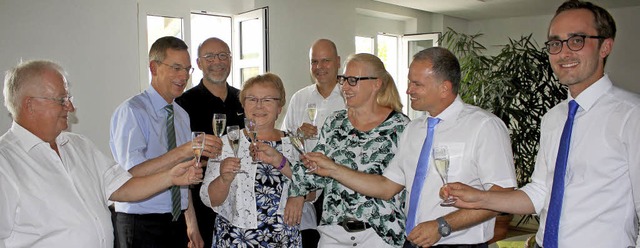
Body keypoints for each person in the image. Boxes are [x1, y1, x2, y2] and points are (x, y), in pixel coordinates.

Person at [444, 1, 640, 247]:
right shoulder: (554, 118)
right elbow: (539, 194)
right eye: (555, 43)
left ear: (605, 46)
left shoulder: (632, 116)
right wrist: (479, 197)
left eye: (576, 40)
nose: (563, 53)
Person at [305, 48, 517, 248]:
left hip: (457, 242)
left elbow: (503, 196)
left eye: (417, 84)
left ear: (444, 87)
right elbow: (387, 187)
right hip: (414, 240)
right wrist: (333, 169)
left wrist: (443, 225)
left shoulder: (483, 126)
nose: (408, 90)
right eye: (409, 82)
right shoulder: (414, 129)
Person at [0, 60, 202, 247]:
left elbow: (122, 187)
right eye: (62, 99)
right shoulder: (5, 162)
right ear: (30, 105)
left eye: (69, 98)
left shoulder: (78, 146)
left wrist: (170, 177)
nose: (71, 106)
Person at [288, 53, 410, 247]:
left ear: (376, 83)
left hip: (379, 235)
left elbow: (389, 186)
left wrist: (333, 169)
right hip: (334, 233)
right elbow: (316, 168)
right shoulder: (335, 122)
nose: (344, 87)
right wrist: (296, 192)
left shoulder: (400, 127)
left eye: (353, 81)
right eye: (343, 80)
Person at [110, 36, 222, 248]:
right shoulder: (132, 111)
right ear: (154, 67)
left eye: (187, 70)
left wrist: (192, 225)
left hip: (176, 222)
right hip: (140, 222)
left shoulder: (181, 114)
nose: (183, 77)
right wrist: (184, 151)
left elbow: (183, 177)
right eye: (176, 68)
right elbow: (130, 174)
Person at [200, 73, 301, 247]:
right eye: (252, 99)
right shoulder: (226, 143)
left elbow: (313, 189)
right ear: (243, 105)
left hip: (284, 239)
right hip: (235, 239)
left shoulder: (295, 143)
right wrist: (224, 179)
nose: (259, 106)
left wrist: (299, 194)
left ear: (279, 107)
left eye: (268, 100)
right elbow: (209, 200)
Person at [175, 37, 245, 248]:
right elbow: (178, 159)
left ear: (231, 60)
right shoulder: (183, 104)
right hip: (200, 205)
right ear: (198, 63)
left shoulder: (243, 99)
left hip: (239, 202)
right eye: (210, 56)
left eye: (223, 55)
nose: (218, 61)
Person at [280, 38, 344, 247]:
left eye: (325, 61)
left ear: (338, 62)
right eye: (314, 62)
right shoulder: (300, 97)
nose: (319, 67)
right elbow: (285, 142)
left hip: (341, 185)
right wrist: (298, 135)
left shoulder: (349, 95)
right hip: (307, 187)